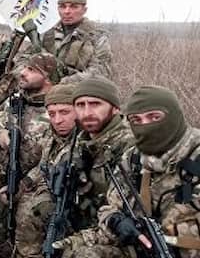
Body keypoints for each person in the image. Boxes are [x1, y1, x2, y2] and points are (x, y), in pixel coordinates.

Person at [97, 85, 200, 258]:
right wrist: (116, 221)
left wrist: (171, 236)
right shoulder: (132, 159)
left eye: (154, 117)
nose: (145, 126)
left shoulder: (195, 154)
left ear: (173, 115)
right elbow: (109, 207)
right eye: (136, 120)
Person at [50, 77, 134, 258]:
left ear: (115, 108)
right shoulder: (79, 143)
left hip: (121, 236)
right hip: (86, 223)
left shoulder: (129, 147)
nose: (87, 112)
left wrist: (76, 241)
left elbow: (124, 216)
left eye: (95, 104)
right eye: (80, 105)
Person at [12, 83, 78, 257]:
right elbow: (44, 166)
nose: (58, 120)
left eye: (64, 112)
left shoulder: (83, 141)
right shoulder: (51, 136)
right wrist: (24, 184)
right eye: (52, 114)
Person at [0, 53, 57, 181]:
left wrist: (25, 184)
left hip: (32, 184)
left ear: (47, 79)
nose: (23, 73)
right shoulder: (15, 100)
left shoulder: (56, 113)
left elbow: (51, 162)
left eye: (31, 70)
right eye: (25, 67)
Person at [35, 0, 112, 84]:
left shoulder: (96, 35)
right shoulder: (45, 32)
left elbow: (101, 71)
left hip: (78, 90)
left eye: (74, 7)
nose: (67, 11)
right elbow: (23, 60)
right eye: (62, 6)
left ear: (84, 10)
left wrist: (64, 83)